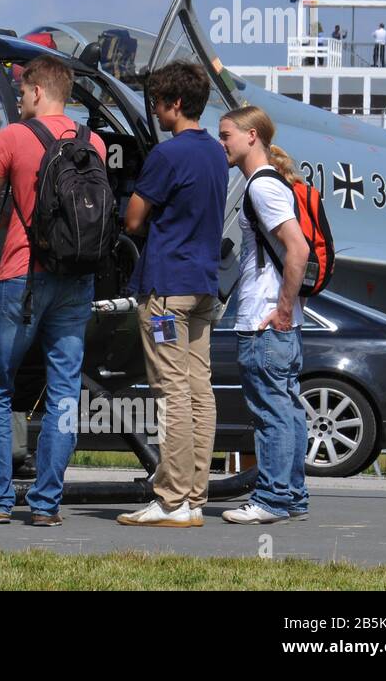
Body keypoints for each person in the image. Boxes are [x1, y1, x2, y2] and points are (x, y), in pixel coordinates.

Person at [0, 55, 106, 525]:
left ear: (39, 92)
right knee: (65, 392)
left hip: (23, 276)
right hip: (77, 279)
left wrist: (17, 223)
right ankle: (46, 505)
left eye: (22, 92)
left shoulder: (12, 138)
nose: (19, 99)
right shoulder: (95, 143)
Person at [116, 64, 227, 528]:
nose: (157, 111)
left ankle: (171, 498)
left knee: (170, 391)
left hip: (166, 289)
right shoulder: (217, 154)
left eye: (159, 102)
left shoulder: (167, 156)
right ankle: (194, 493)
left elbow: (134, 220)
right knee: (199, 388)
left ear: (175, 104)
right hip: (202, 285)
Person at [217, 106, 311, 524]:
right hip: (277, 325)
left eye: (226, 136)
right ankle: (291, 495)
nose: (222, 143)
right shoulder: (269, 183)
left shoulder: (261, 187)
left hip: (265, 323)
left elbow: (298, 249)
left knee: (271, 412)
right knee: (288, 408)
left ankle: (272, 498)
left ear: (251, 135)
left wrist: (282, 309)